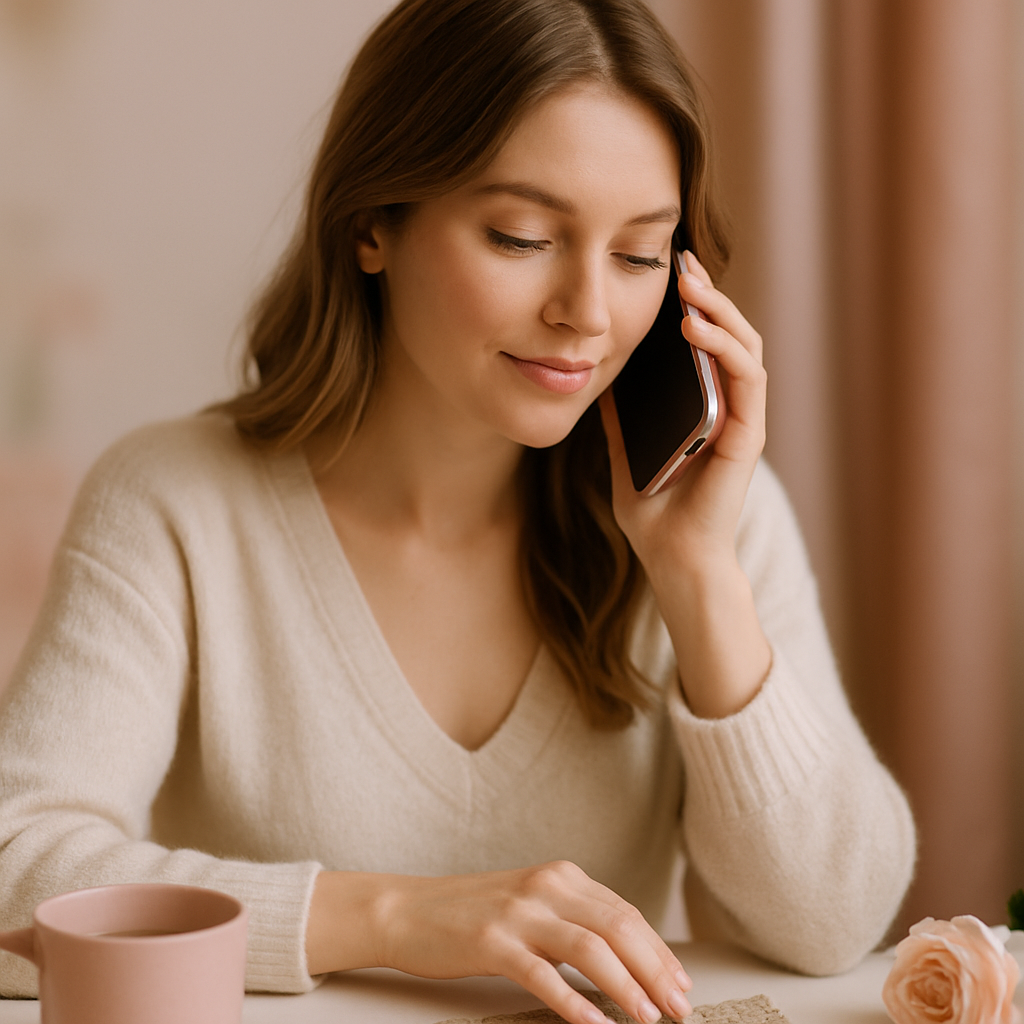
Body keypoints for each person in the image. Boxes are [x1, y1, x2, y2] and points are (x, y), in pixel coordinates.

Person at [0, 1, 915, 1022]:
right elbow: (13, 869)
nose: (588, 313)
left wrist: (698, 578)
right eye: (522, 237)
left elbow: (833, 923)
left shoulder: (710, 519)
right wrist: (391, 917)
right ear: (372, 225)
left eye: (638, 255)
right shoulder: (173, 505)